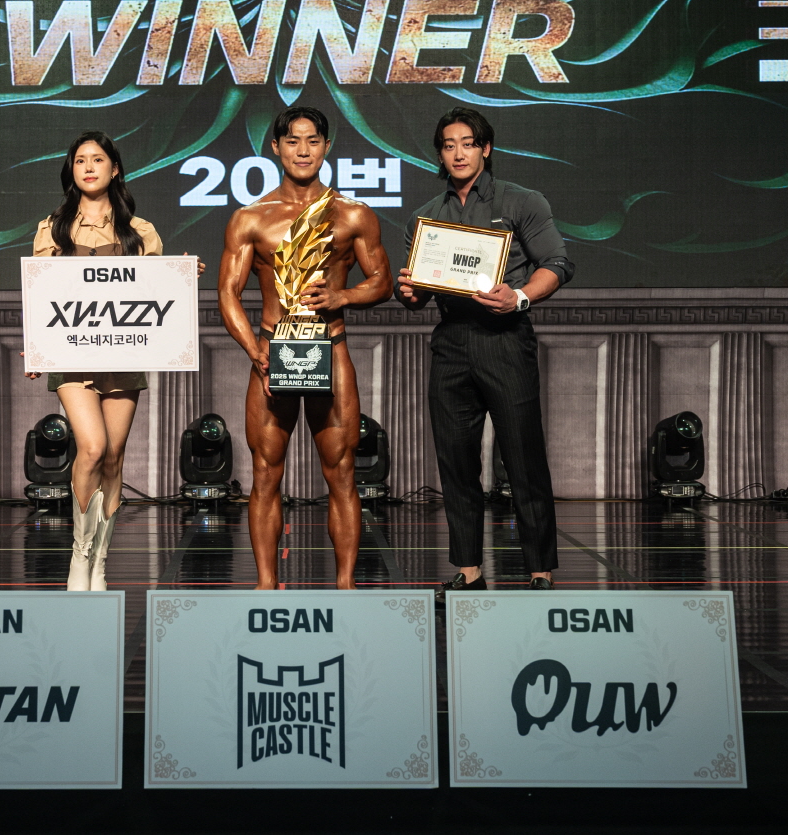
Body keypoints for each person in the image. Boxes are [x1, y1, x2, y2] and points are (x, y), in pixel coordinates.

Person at [394, 108, 574, 600]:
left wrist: (521, 297)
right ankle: (469, 570)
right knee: (456, 462)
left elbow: (558, 262)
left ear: (485, 149)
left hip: (505, 338)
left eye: (468, 143)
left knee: (523, 459)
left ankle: (540, 570)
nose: (458, 153)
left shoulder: (522, 201)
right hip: (450, 342)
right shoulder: (425, 217)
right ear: (440, 153)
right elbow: (415, 292)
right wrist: (408, 291)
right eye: (449, 144)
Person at [218, 107, 392, 590]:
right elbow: (228, 292)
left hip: (329, 350)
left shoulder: (352, 214)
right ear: (275, 147)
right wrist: (253, 350)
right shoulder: (250, 218)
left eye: (313, 141)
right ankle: (265, 586)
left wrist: (342, 296)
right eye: (293, 141)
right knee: (265, 472)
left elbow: (382, 281)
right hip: (272, 352)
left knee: (342, 472)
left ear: (326, 147)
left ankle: (346, 588)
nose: (303, 150)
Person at [26, 131, 201, 591]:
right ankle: (79, 555)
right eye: (80, 160)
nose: (89, 167)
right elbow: (43, 295)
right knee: (91, 448)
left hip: (123, 354)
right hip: (73, 356)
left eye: (98, 159)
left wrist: (183, 275)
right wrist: (38, 345)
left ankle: (100, 561)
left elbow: (154, 294)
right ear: (72, 170)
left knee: (114, 456)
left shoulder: (140, 231)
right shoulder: (53, 229)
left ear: (115, 168)